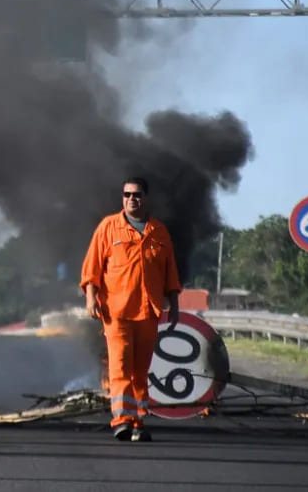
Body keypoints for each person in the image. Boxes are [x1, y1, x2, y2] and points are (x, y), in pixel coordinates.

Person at [80, 176, 181, 442]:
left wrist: (176, 305)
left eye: (136, 195)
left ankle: (138, 422)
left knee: (140, 371)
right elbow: (92, 268)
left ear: (146, 197)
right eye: (126, 195)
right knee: (120, 367)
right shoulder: (108, 228)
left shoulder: (159, 232)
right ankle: (121, 420)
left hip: (148, 311)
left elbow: (170, 273)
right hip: (117, 311)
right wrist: (91, 298)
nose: (131, 199)